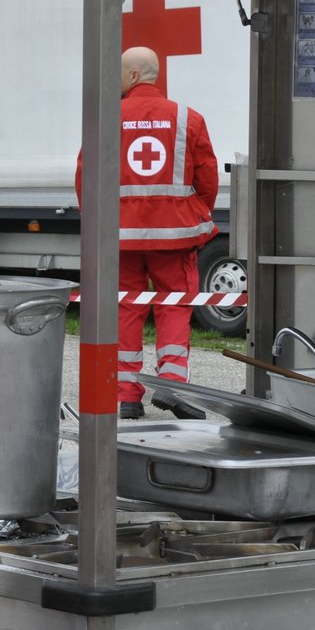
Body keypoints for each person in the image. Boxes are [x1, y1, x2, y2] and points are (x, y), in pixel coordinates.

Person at [76, 46, 218, 420]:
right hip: (174, 236)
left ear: (135, 75)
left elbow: (85, 176)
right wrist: (195, 213)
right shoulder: (189, 118)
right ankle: (172, 386)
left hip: (120, 236)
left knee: (127, 307)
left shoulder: (107, 117)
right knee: (174, 304)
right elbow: (207, 176)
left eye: (121, 73)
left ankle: (126, 397)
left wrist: (96, 221)